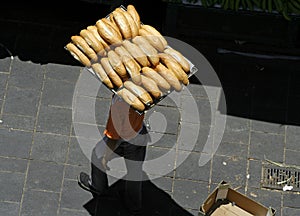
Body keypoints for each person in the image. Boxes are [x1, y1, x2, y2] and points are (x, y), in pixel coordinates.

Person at [78, 92, 150, 216]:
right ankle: (134, 205)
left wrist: (105, 158)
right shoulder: (143, 93)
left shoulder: (119, 105)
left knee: (97, 155)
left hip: (123, 141)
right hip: (139, 134)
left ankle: (98, 187)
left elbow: (113, 137)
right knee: (135, 172)